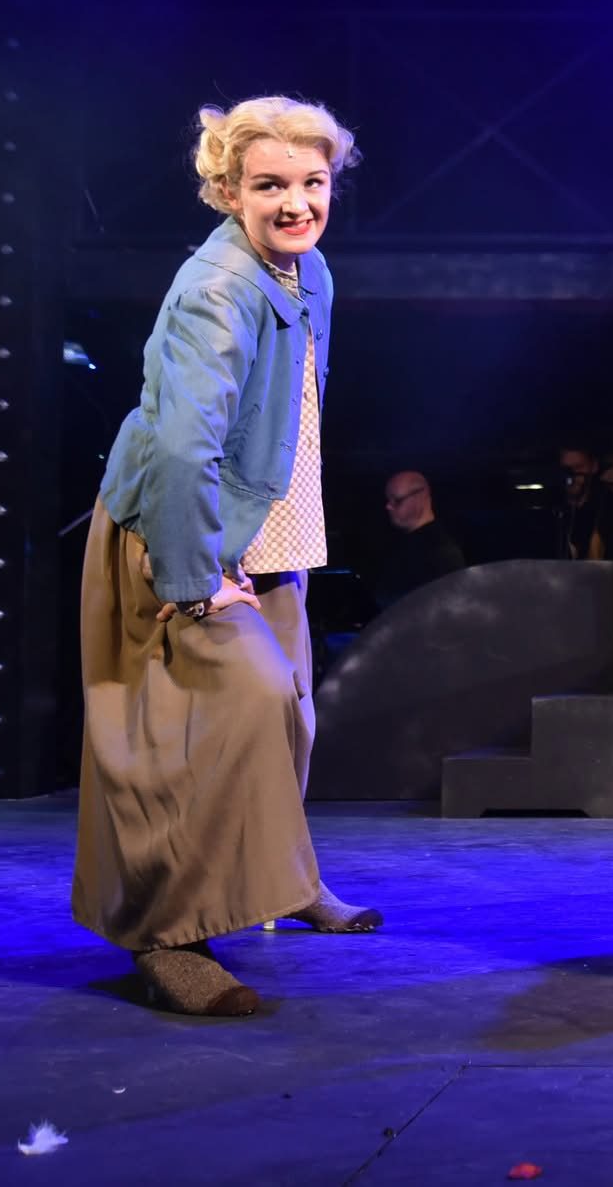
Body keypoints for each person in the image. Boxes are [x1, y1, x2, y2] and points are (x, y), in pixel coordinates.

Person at [73, 96, 381, 1018]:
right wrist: (195, 576)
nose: (296, 203)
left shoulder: (309, 270)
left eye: (312, 182)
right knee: (195, 730)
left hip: (265, 524)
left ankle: (285, 879)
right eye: (269, 185)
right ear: (227, 191)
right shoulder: (217, 289)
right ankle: (167, 935)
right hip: (179, 531)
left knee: (288, 712)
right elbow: (182, 447)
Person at [375, 469, 467, 609]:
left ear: (420, 497)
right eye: (388, 500)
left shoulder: (442, 552)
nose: (388, 506)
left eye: (396, 500)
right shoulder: (402, 544)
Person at [558, 444, 613, 560]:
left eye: (578, 468)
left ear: (593, 467)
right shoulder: (553, 509)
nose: (572, 476)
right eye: (567, 469)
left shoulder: (608, 510)